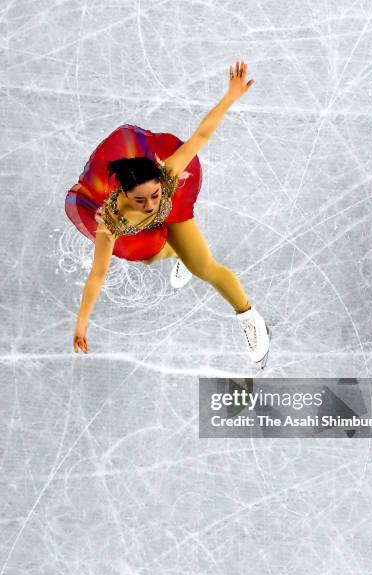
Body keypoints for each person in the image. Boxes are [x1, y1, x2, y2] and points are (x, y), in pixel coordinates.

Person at [68, 60, 271, 367]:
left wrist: (231, 96)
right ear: (122, 194)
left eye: (153, 194)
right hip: (139, 228)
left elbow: (200, 136)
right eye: (140, 200)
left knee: (205, 268)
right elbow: (98, 273)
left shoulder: (167, 174)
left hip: (173, 209)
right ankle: (177, 255)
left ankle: (249, 316)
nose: (149, 204)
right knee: (148, 254)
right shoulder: (110, 224)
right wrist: (82, 324)